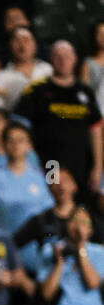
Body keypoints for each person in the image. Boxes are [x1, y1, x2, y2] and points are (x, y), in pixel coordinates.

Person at [14, 41, 104, 196]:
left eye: (67, 56)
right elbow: (18, 126)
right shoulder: (37, 91)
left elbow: (96, 130)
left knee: (82, 204)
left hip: (82, 162)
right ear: (51, 60)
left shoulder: (85, 92)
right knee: (54, 196)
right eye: (58, 57)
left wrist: (97, 167)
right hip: (50, 162)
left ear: (75, 59)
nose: (63, 60)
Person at [0, 120, 52, 236]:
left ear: (29, 145)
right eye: (11, 140)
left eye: (21, 140)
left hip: (34, 246)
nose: (16, 145)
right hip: (3, 244)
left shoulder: (41, 177)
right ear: (4, 145)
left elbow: (49, 211)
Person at [37, 206, 104, 305]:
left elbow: (93, 283)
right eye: (74, 220)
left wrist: (81, 249)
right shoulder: (51, 250)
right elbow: (46, 294)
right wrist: (59, 262)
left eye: (84, 222)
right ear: (67, 224)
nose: (78, 226)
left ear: (91, 229)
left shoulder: (99, 252)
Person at [0, 26, 50, 110]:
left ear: (35, 46)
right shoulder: (2, 76)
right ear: (10, 46)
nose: (22, 45)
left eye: (26, 40)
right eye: (17, 40)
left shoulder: (49, 70)